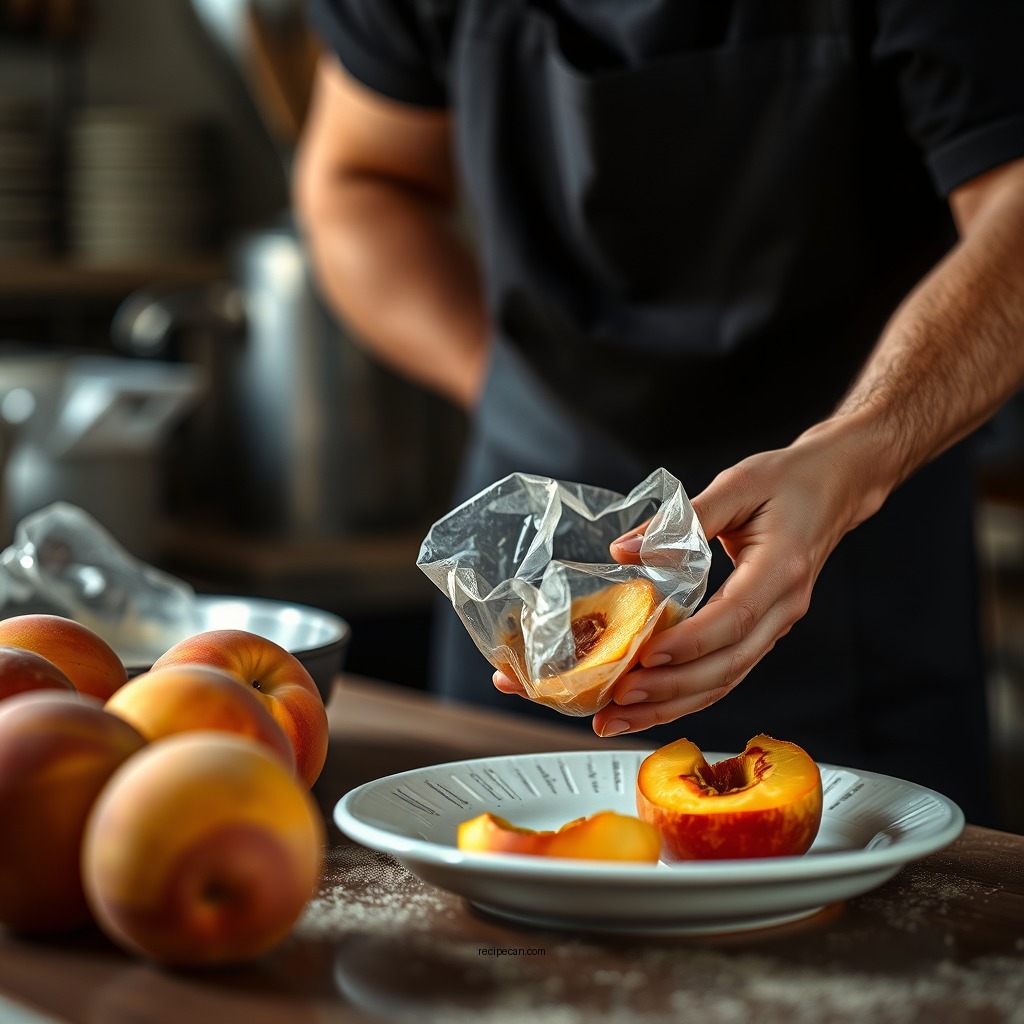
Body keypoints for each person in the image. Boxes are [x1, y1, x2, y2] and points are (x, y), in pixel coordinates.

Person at [293, 0, 1024, 826]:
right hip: (532, 581)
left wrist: (858, 451)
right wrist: (498, 379)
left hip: (853, 560)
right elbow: (358, 180)